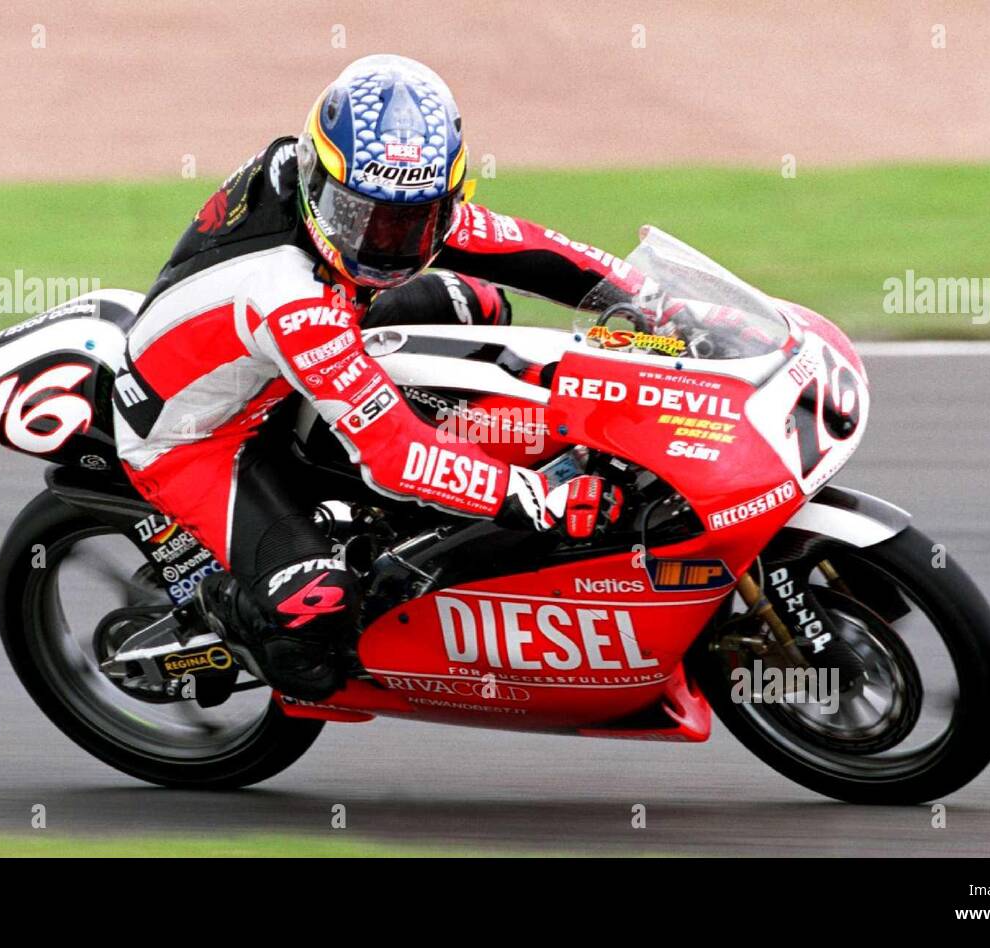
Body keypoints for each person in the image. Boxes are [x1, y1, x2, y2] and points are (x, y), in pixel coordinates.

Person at [112, 54, 631, 700]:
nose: (383, 243)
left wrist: (647, 296)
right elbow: (397, 455)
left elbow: (529, 250)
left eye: (410, 221)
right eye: (359, 215)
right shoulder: (286, 294)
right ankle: (228, 611)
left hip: (282, 357)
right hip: (198, 437)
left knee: (479, 303)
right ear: (317, 175)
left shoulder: (368, 199)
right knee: (319, 618)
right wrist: (536, 498)